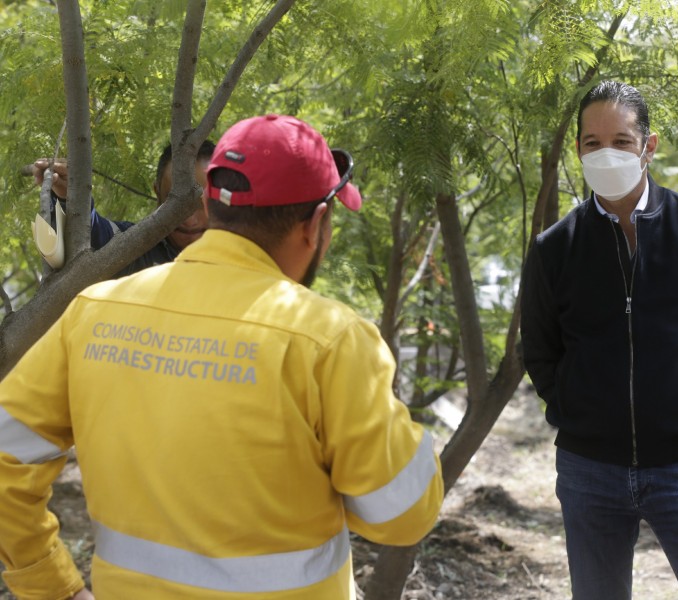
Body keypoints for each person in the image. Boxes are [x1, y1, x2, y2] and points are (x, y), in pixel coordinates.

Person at [0, 114, 444, 599]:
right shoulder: (330, 339)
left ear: (209, 202)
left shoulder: (93, 311)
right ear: (316, 225)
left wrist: (54, 589)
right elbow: (402, 516)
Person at [520, 81, 678, 600]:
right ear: (578, 150)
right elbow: (541, 353)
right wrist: (581, 411)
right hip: (588, 472)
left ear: (648, 146)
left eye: (620, 140)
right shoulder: (555, 249)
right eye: (592, 143)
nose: (605, 153)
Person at [31, 139, 215, 276]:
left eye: (201, 204)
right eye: (177, 203)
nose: (190, 220)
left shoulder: (240, 256)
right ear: (157, 192)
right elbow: (97, 234)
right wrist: (70, 196)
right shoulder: (135, 248)